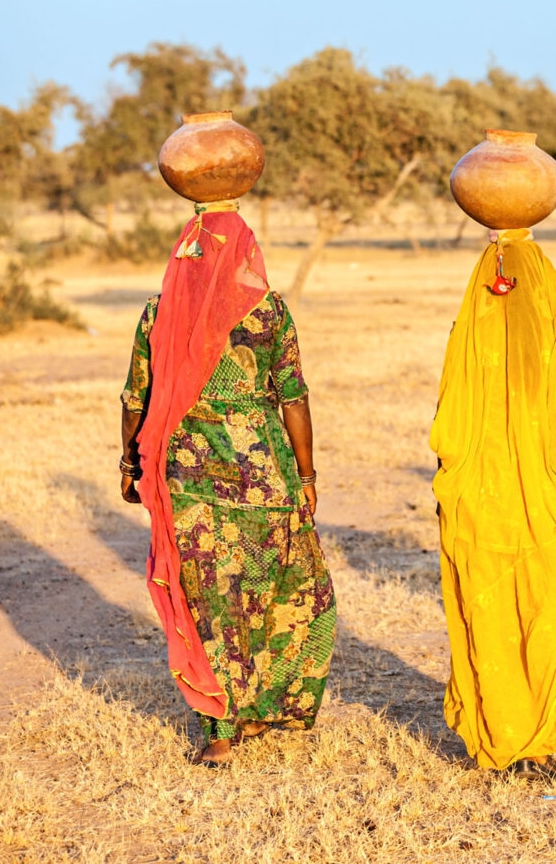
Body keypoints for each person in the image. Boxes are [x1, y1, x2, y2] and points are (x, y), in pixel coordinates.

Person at [119, 201, 336, 766]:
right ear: (245, 249)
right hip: (262, 473)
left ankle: (222, 728)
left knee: (208, 597)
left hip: (186, 476)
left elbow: (135, 398)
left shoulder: (159, 312)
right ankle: (264, 706)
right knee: (279, 588)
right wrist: (306, 473)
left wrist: (129, 464)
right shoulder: (267, 313)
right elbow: (293, 396)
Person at [430, 228, 556, 777]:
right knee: (548, 602)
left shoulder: (467, 336)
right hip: (540, 501)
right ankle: (526, 739)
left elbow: (445, 424)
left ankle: (512, 734)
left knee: (492, 611)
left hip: (481, 502)